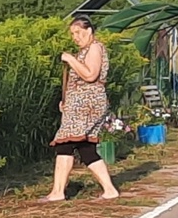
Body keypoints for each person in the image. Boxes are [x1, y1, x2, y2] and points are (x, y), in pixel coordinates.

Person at [42, 15, 121, 202]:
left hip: (88, 104)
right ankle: (110, 190)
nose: (75, 37)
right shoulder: (86, 50)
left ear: (89, 31)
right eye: (72, 34)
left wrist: (70, 59)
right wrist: (67, 101)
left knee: (65, 143)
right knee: (86, 148)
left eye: (78, 32)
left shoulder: (94, 47)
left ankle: (58, 192)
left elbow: (91, 75)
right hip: (81, 104)